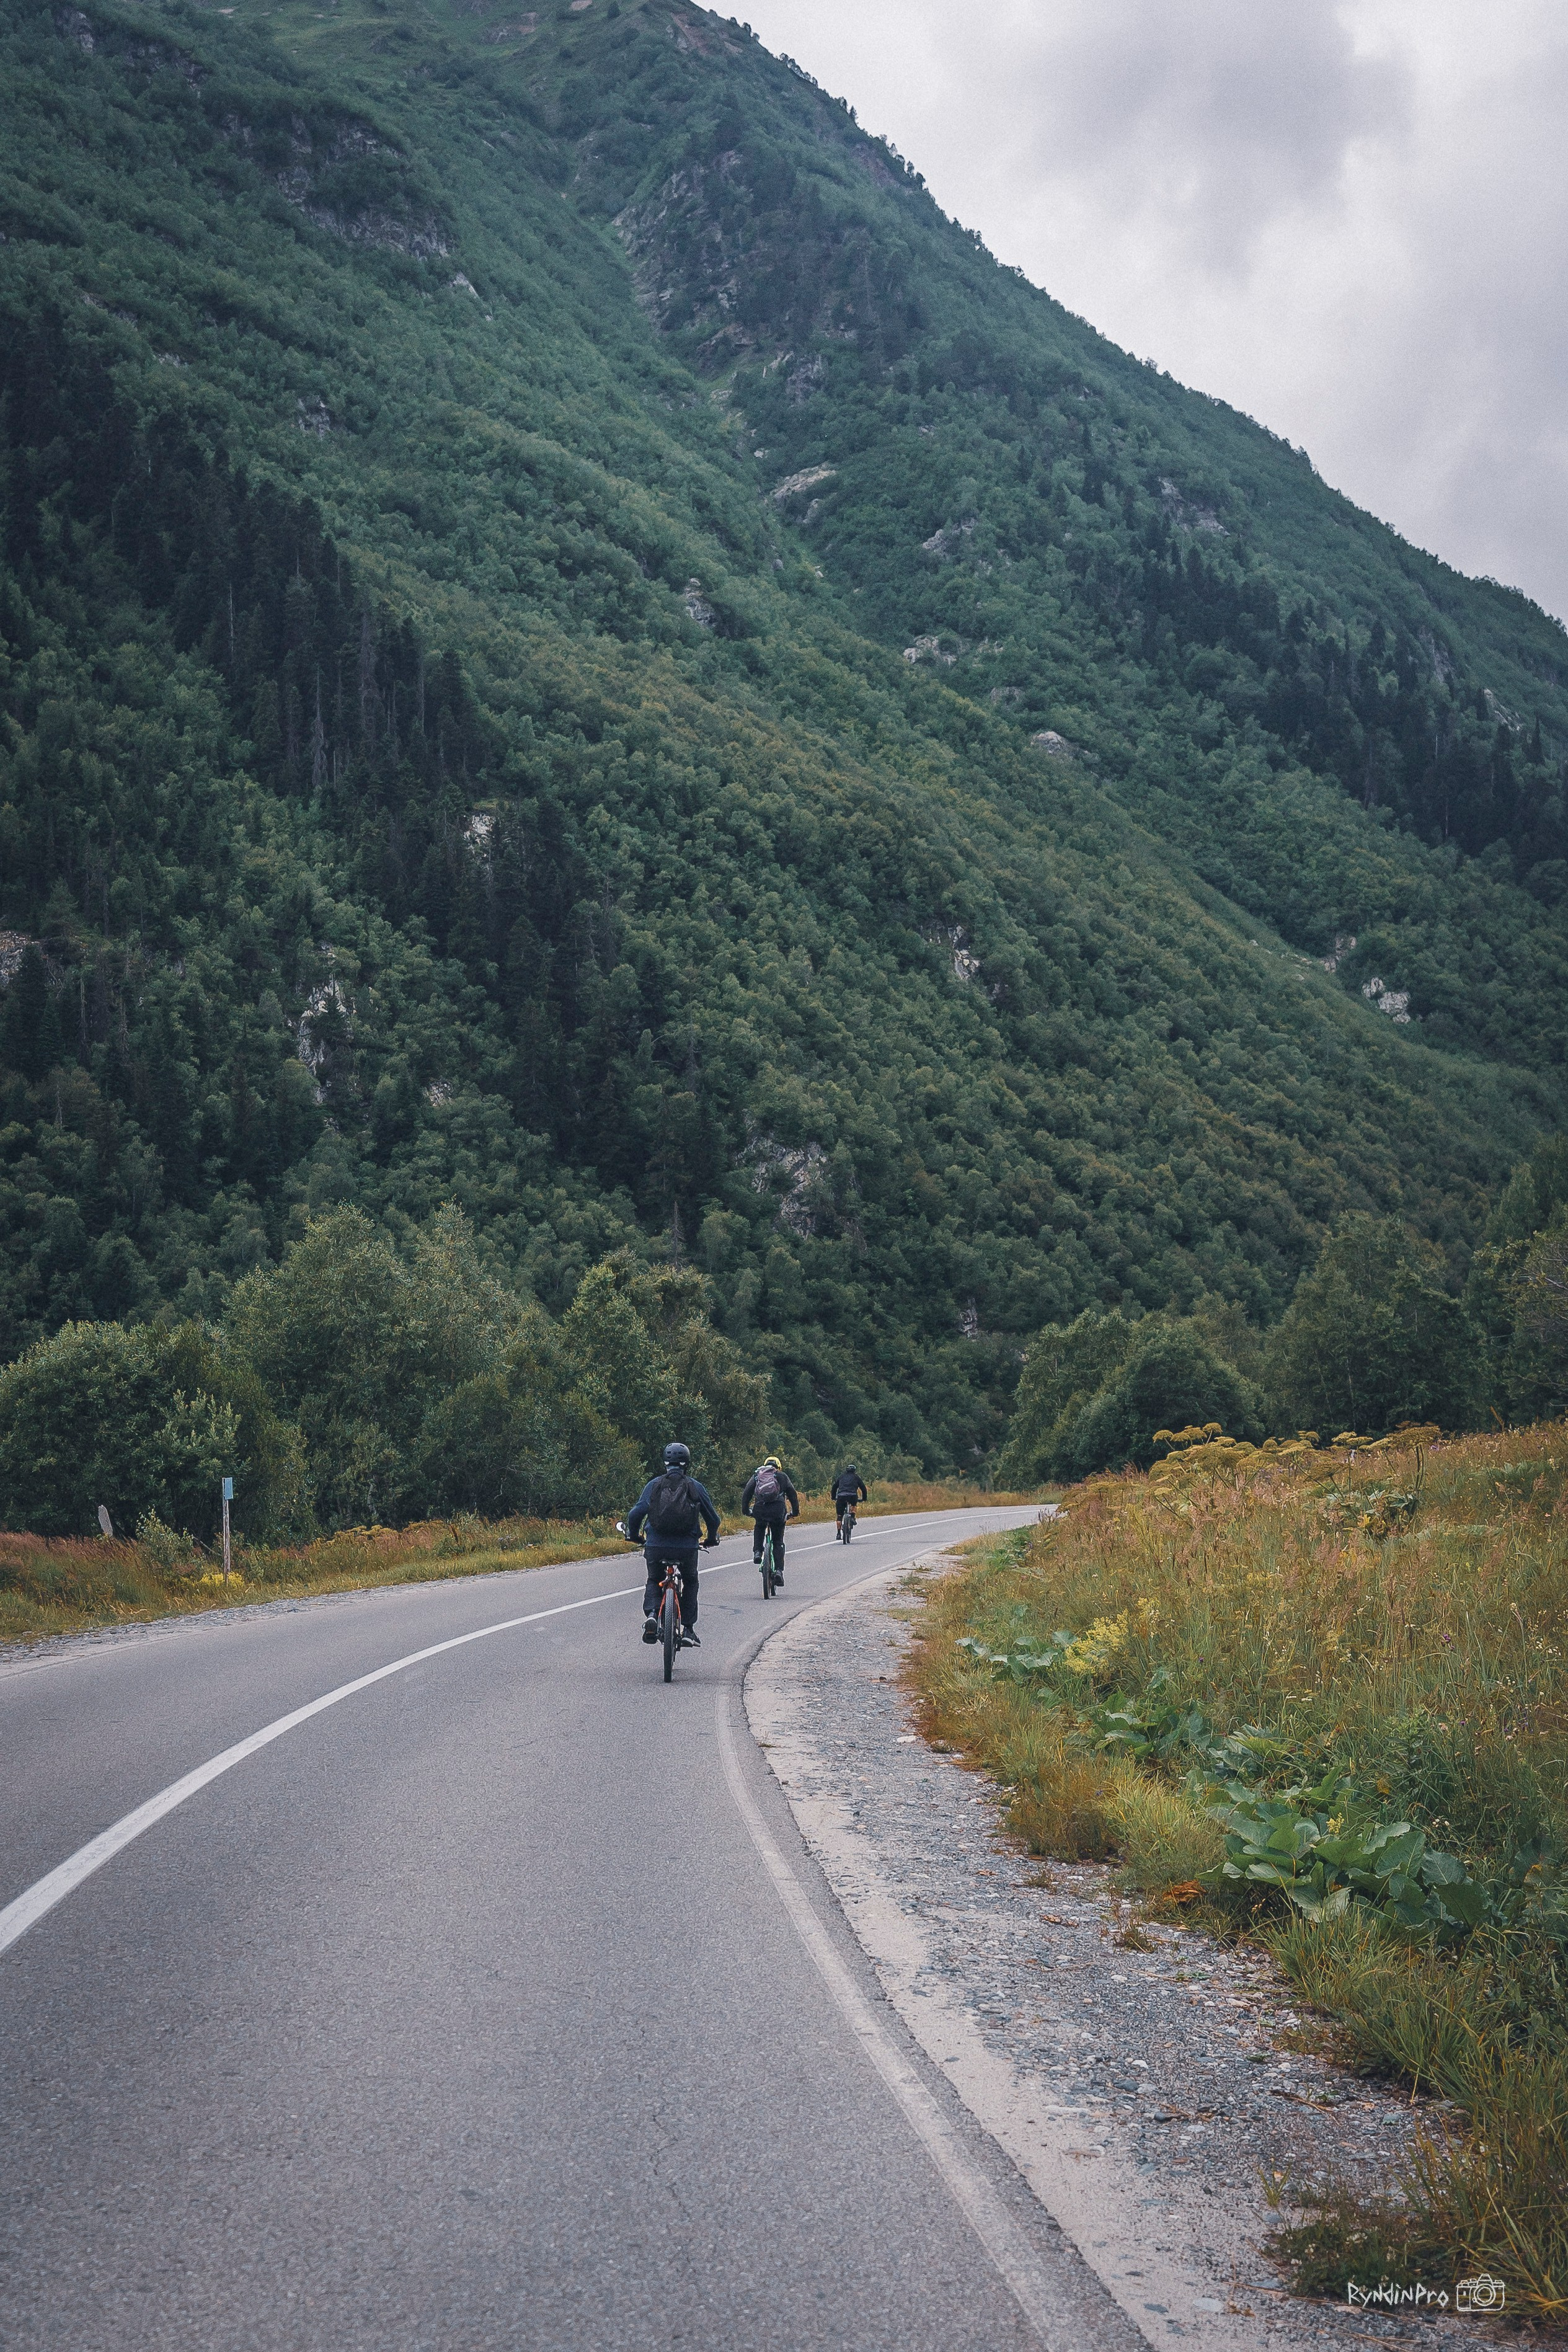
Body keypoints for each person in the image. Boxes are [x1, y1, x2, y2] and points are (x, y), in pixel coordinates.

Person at [627, 1442, 720, 1646]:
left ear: (665, 1463)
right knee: (691, 1581)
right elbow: (713, 1519)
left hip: (656, 1545)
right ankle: (688, 1629)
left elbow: (636, 1514)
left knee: (654, 1580)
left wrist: (633, 1535)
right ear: (687, 1463)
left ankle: (652, 1615)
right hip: (687, 1547)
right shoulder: (695, 1486)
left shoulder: (654, 1485)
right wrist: (712, 1538)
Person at [740, 1453, 799, 1584]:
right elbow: (793, 1495)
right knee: (778, 1541)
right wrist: (795, 1512)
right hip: (778, 1511)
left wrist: (746, 1511)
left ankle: (757, 1552)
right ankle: (778, 1570)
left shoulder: (757, 1475)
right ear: (778, 1467)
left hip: (760, 1509)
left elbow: (746, 1494)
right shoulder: (782, 1476)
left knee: (760, 1526)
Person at [831, 1461, 868, 1535]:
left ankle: (838, 1533)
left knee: (839, 1516)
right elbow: (863, 1488)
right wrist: (864, 1498)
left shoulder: (841, 1477)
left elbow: (834, 1487)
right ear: (854, 1470)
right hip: (852, 1496)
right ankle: (853, 1517)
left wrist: (833, 1497)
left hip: (841, 1496)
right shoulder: (856, 1477)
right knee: (854, 1505)